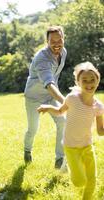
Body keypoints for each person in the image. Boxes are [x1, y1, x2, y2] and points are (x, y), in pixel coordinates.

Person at [38, 61, 104, 199]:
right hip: (71, 147)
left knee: (92, 179)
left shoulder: (98, 106)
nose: (89, 83)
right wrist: (48, 107)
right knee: (80, 182)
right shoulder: (72, 98)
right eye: (84, 80)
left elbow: (100, 131)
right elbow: (60, 111)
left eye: (92, 80)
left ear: (98, 80)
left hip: (87, 146)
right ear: (78, 82)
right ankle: (69, 168)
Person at [24, 25, 67, 169]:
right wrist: (65, 102)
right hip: (34, 97)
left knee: (62, 122)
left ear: (63, 39)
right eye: (52, 41)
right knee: (33, 129)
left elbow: (55, 78)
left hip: (50, 96)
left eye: (59, 40)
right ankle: (27, 150)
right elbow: (49, 83)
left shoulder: (63, 52)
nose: (56, 44)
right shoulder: (41, 58)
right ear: (47, 42)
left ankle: (59, 159)